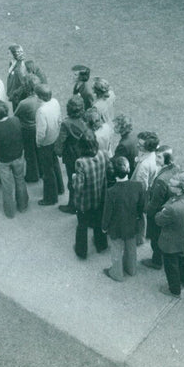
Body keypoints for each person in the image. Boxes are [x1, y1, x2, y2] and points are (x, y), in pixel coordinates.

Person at [101, 156, 145, 282]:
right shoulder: (138, 186)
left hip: (116, 227)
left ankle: (117, 273)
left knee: (116, 249)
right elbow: (141, 206)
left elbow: (107, 213)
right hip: (132, 224)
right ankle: (131, 269)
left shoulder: (111, 191)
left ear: (113, 173)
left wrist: (104, 227)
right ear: (128, 169)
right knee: (131, 248)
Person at [155, 172, 184, 297]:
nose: (169, 185)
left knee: (171, 265)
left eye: (172, 185)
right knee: (182, 258)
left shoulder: (172, 209)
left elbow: (158, 220)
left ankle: (174, 290)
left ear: (180, 189)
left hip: (170, 242)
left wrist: (163, 210)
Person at [0, 99, 27, 218]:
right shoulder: (16, 120)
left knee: (7, 184)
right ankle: (23, 206)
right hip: (18, 155)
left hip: (3, 159)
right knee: (20, 180)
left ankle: (9, 211)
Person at [71, 131, 110, 259]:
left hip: (85, 201)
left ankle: (81, 251)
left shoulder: (80, 162)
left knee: (82, 226)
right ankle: (101, 244)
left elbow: (78, 186)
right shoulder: (103, 154)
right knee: (98, 222)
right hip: (100, 196)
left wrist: (74, 177)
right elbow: (108, 171)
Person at [141, 145, 180, 270]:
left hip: (158, 213)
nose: (156, 159)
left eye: (159, 157)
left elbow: (154, 203)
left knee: (155, 237)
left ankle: (156, 261)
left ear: (167, 159)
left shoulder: (161, 180)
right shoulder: (175, 168)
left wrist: (146, 210)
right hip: (168, 207)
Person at [55, 95, 88, 215]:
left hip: (71, 156)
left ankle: (72, 205)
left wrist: (57, 151)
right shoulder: (85, 119)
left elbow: (60, 142)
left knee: (72, 181)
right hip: (84, 153)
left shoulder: (66, 124)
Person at [35, 84, 64, 205]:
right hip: (55, 138)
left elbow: (41, 131)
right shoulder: (55, 102)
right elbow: (59, 119)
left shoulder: (41, 111)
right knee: (55, 164)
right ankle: (60, 188)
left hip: (46, 142)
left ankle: (50, 198)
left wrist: (38, 142)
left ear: (40, 97)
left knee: (48, 171)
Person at [130, 131, 159, 243]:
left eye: (140, 145)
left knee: (140, 214)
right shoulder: (150, 154)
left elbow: (141, 185)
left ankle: (139, 237)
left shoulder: (144, 165)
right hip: (148, 188)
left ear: (148, 148)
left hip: (141, 192)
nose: (137, 145)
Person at [14, 75, 42, 183]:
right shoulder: (41, 99)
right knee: (39, 151)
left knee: (30, 154)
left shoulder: (24, 103)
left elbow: (16, 115)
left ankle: (32, 175)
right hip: (38, 127)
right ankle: (41, 171)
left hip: (27, 130)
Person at [6, 45, 28, 110]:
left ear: (14, 54)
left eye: (9, 53)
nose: (7, 55)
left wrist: (15, 95)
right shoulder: (11, 62)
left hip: (18, 96)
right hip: (13, 92)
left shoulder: (19, 68)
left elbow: (23, 84)